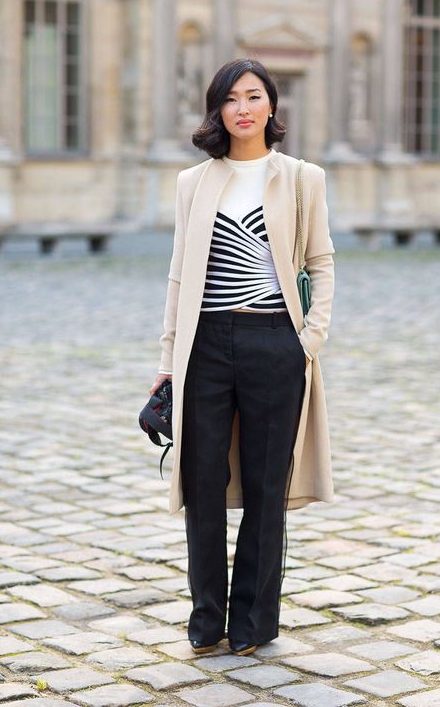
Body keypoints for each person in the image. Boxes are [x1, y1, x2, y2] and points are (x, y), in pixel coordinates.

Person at [149, 58, 335, 657]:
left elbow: (320, 263)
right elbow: (180, 276)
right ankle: (207, 620)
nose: (243, 108)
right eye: (231, 99)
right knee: (202, 485)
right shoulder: (193, 183)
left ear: (272, 106)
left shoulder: (303, 178)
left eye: (254, 96)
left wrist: (307, 341)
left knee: (264, 486)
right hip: (205, 346)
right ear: (217, 110)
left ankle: (254, 623)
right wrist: (168, 360)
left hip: (275, 343)